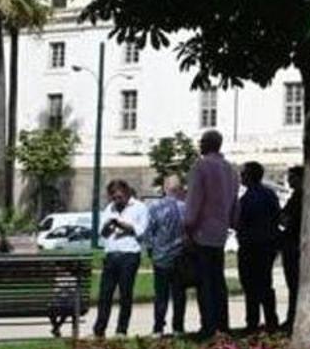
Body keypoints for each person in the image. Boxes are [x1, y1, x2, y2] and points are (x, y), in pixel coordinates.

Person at [183, 129, 238, 338]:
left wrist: (188, 226)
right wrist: (232, 222)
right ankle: (222, 323)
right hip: (221, 232)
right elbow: (235, 203)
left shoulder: (201, 166)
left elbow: (194, 199)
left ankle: (209, 325)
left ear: (207, 144)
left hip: (202, 231)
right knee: (218, 280)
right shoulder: (231, 169)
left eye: (202, 141)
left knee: (204, 281)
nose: (200, 144)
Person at [91, 179, 148, 338]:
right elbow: (102, 234)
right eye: (113, 198)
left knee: (125, 294)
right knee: (105, 294)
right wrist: (108, 225)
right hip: (111, 255)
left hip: (129, 255)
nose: (116, 201)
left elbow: (141, 231)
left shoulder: (139, 208)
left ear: (127, 193)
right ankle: (99, 329)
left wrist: (122, 224)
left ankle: (121, 330)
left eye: (119, 197)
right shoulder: (110, 208)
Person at [233, 162, 281, 331]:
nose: (241, 177)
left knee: (250, 285)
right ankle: (271, 319)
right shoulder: (270, 195)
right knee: (266, 284)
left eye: (243, 174)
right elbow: (278, 217)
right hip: (268, 244)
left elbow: (239, 223)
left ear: (249, 176)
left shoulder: (246, 200)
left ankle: (252, 321)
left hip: (250, 245)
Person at [142, 176, 187, 336]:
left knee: (161, 294)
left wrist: (151, 251)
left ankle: (158, 327)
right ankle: (178, 327)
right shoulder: (186, 207)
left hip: (160, 257)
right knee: (179, 294)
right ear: (179, 189)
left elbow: (148, 232)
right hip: (180, 256)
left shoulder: (155, 207)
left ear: (165, 188)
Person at [275, 166, 305, 330]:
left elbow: (286, 219)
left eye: (292, 177)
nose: (289, 180)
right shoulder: (297, 196)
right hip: (295, 243)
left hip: (294, 244)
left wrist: (282, 218)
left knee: (294, 284)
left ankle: (293, 319)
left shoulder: (299, 197)